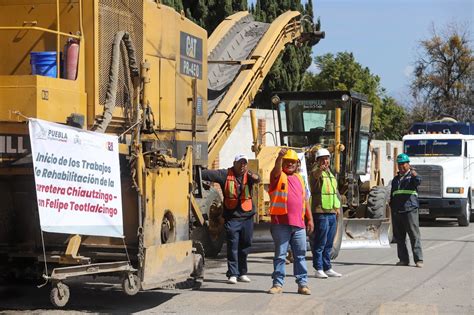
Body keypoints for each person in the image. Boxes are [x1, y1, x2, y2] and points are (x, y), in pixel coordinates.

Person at [202, 153, 260, 284]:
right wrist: (195, 171)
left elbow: (258, 179)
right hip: (232, 218)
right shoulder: (225, 175)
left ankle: (242, 273)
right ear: (234, 163)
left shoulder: (248, 175)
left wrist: (253, 175)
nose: (242, 166)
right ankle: (233, 274)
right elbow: (210, 174)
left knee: (245, 245)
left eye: (244, 163)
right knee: (232, 246)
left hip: (247, 217)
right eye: (240, 163)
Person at [267, 148, 314, 295]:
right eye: (287, 162)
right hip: (281, 223)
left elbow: (305, 200)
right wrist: (280, 157)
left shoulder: (300, 179)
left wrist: (310, 219)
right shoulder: (278, 176)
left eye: (292, 162)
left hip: (298, 224)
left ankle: (303, 284)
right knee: (280, 256)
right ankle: (277, 284)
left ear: (297, 164)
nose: (289, 164)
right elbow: (275, 170)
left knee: (300, 255)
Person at [310, 148, 342, 279]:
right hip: (320, 212)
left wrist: (337, 209)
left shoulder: (330, 174)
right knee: (320, 242)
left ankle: (327, 267)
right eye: (322, 159)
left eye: (327, 158)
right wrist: (320, 169)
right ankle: (318, 268)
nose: (325, 161)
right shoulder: (315, 172)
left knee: (329, 242)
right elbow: (315, 176)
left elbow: (334, 192)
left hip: (331, 212)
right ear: (317, 161)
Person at [390, 153, 423, 268]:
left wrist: (415, 174)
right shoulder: (395, 179)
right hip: (398, 211)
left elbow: (418, 181)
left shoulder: (412, 177)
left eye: (403, 164)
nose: (401, 167)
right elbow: (392, 195)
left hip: (410, 210)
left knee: (414, 235)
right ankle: (403, 260)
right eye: (399, 164)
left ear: (408, 164)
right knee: (400, 237)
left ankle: (418, 259)